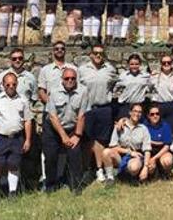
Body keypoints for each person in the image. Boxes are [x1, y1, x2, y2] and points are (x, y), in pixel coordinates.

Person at [0, 72, 33, 197]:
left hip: (17, 138)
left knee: (14, 165)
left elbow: (27, 121)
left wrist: (28, 139)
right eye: (8, 84)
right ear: (3, 85)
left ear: (17, 84)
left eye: (13, 84)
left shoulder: (23, 100)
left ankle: (12, 192)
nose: (11, 86)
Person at [43, 67, 88, 193]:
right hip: (53, 128)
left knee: (75, 154)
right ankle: (50, 185)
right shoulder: (53, 91)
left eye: (73, 78)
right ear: (62, 79)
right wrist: (63, 136)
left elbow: (81, 115)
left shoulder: (83, 91)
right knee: (50, 156)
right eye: (67, 78)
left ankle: (76, 186)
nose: (70, 80)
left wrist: (77, 135)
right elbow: (52, 116)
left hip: (72, 127)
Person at [78, 45, 118, 183]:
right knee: (87, 140)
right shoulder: (82, 70)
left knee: (101, 140)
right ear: (90, 54)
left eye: (101, 53)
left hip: (104, 108)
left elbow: (118, 83)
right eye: (95, 53)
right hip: (87, 108)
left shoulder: (110, 69)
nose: (98, 56)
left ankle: (100, 169)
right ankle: (88, 169)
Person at [103, 103, 152, 185]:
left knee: (134, 167)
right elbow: (112, 146)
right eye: (135, 111)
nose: (137, 114)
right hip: (121, 156)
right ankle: (110, 177)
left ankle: (129, 177)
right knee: (106, 152)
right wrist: (129, 152)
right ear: (130, 112)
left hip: (136, 156)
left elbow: (147, 149)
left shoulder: (143, 129)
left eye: (139, 112)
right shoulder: (120, 126)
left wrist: (145, 167)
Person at [150, 54, 173, 163]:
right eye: (164, 63)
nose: (166, 65)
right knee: (162, 129)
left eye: (168, 62)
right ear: (161, 64)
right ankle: (163, 153)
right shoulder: (154, 76)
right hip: (160, 105)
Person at [115, 53, 152, 118]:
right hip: (126, 107)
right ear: (128, 65)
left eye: (136, 64)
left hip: (139, 106)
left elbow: (151, 85)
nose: (134, 66)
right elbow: (116, 88)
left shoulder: (145, 76)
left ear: (140, 64)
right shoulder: (123, 76)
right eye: (132, 64)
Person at [144, 105, 173, 179]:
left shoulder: (165, 126)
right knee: (149, 166)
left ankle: (166, 173)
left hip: (162, 151)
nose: (155, 116)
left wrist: (154, 158)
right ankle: (154, 173)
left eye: (157, 114)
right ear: (148, 116)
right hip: (148, 151)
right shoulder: (144, 125)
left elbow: (167, 145)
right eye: (152, 114)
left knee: (167, 161)